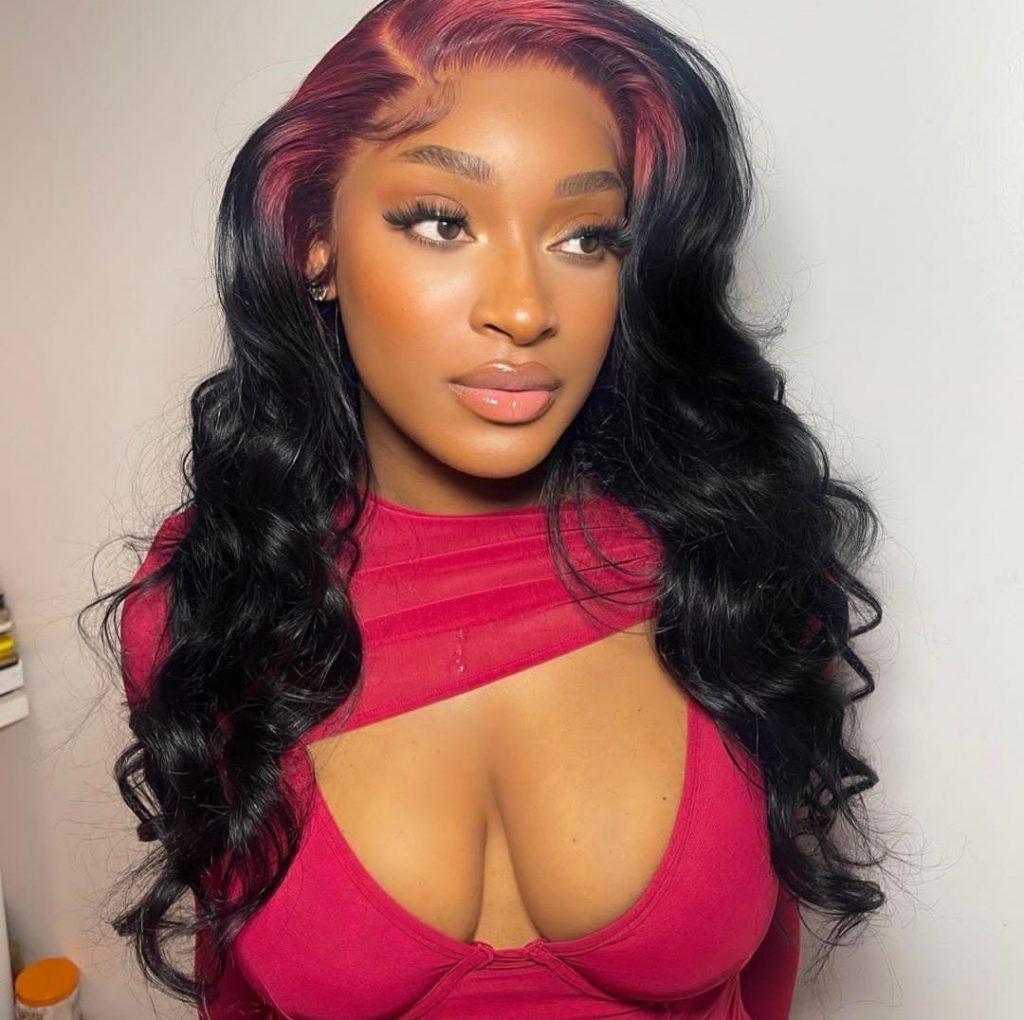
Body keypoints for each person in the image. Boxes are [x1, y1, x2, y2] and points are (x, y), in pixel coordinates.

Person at [95, 0, 890, 1016]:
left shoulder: (731, 559)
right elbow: (233, 987)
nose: (522, 309)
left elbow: (767, 969)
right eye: (442, 222)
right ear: (311, 239)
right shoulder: (211, 604)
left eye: (587, 237)